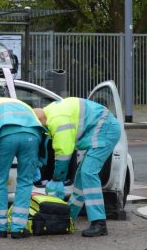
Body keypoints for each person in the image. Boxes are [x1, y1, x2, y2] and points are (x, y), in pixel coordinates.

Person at [34, 97, 122, 237]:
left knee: (88, 173)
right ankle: (69, 217)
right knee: (81, 175)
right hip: (103, 128)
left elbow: (64, 152)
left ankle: (99, 223)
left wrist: (57, 178)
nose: (44, 131)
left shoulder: (57, 120)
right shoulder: (51, 112)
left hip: (105, 130)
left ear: (40, 120)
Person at [0, 98, 45, 238]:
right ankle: (19, 228)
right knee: (25, 181)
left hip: (6, 134)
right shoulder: (21, 103)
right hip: (33, 135)